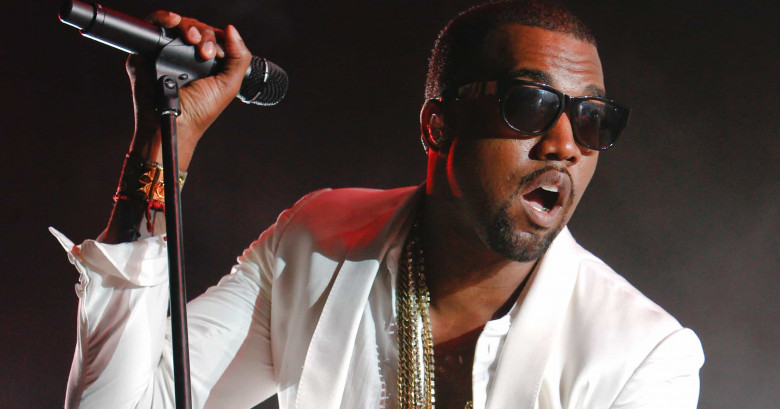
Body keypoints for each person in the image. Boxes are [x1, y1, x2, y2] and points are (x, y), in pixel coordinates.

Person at [53, 1, 704, 408]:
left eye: (593, 120)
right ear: (437, 125)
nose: (565, 144)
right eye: (529, 105)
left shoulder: (641, 357)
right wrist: (162, 144)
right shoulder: (316, 244)